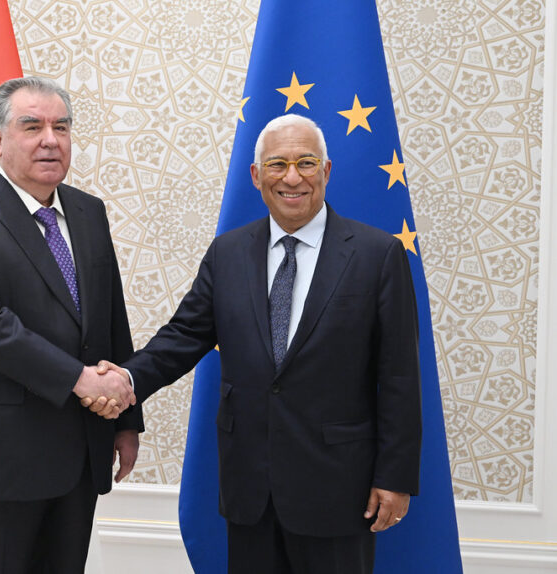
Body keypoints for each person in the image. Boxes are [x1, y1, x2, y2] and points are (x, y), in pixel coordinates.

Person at [89, 114, 421, 574]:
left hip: (339, 489)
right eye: (277, 164)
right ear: (256, 175)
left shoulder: (376, 254)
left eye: (306, 163)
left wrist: (395, 477)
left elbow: (400, 375)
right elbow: (183, 336)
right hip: (251, 488)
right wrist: (126, 379)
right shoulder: (227, 253)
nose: (292, 178)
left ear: (326, 171)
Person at [0, 76, 142, 573]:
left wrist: (126, 421)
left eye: (61, 127)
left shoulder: (88, 211)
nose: (50, 140)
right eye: (32, 126)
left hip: (79, 451)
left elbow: (110, 317)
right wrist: (81, 379)